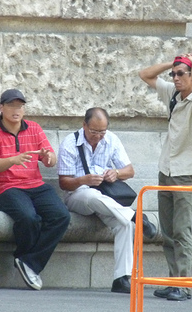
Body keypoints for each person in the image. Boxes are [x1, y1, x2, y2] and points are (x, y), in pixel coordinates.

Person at [139, 53, 192, 301]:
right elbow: (145, 75)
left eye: (179, 74)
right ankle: (173, 281)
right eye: (173, 75)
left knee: (182, 229)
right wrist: (171, 64)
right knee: (168, 229)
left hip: (187, 172)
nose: (175, 78)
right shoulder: (173, 94)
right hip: (168, 169)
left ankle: (184, 285)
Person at [0, 88, 71, 291]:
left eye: (19, 106)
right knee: (29, 218)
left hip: (35, 185)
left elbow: (51, 160)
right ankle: (28, 262)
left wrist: (48, 157)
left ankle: (28, 261)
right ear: (1, 108)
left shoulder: (35, 129)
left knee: (61, 215)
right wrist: (13, 160)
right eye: (11, 105)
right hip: (3, 188)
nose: (16, 110)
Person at [57, 107, 157, 294]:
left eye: (102, 132)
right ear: (84, 125)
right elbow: (64, 183)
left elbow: (130, 171)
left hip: (107, 199)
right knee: (91, 195)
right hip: (78, 196)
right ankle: (135, 215)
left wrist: (115, 173)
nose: (98, 137)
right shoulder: (70, 143)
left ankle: (122, 278)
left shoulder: (111, 139)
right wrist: (83, 180)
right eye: (94, 132)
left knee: (124, 224)